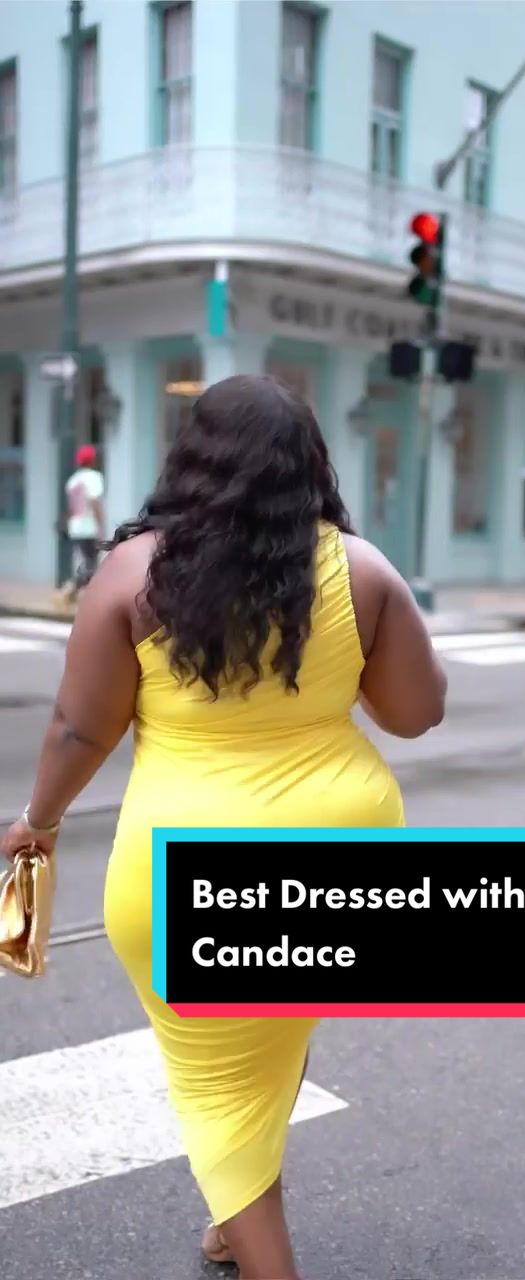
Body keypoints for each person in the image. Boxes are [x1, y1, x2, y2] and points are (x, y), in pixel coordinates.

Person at [1, 375, 447, 1280]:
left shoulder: (135, 575)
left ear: (190, 460)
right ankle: (228, 1224)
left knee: (216, 1081)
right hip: (344, 849)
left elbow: (81, 729)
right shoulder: (361, 571)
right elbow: (416, 712)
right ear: (309, 464)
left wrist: (35, 823)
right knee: (273, 1029)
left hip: (186, 866)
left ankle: (265, 1257)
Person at [61, 443, 105, 601]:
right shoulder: (95, 477)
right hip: (89, 527)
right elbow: (95, 503)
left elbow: (71, 507)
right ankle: (72, 588)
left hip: (76, 526)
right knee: (91, 563)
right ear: (92, 460)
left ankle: (80, 592)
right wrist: (100, 526)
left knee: (87, 561)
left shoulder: (72, 481)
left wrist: (67, 523)